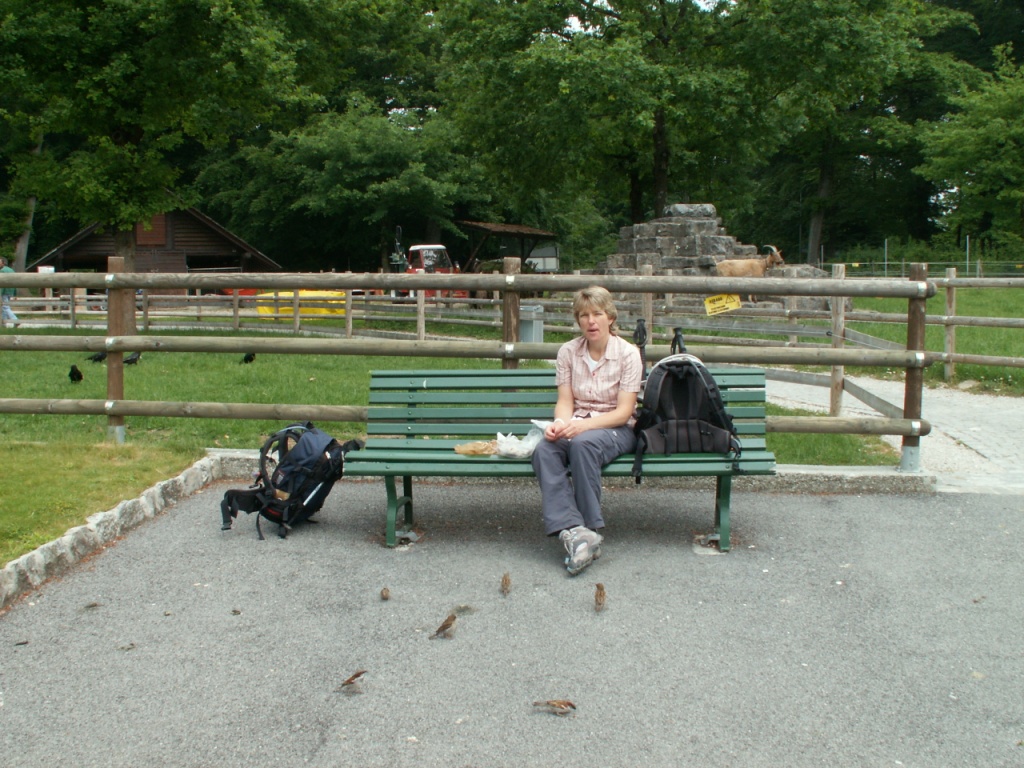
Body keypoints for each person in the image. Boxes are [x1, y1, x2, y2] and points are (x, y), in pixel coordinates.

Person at [532, 286, 643, 575]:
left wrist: (582, 426)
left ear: (610, 317)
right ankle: (574, 530)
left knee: (583, 445)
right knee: (545, 449)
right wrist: (559, 425)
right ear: (578, 320)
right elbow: (565, 401)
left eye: (597, 314)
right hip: (577, 423)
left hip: (616, 428)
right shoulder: (568, 352)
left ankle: (589, 527)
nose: (591, 321)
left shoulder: (628, 354)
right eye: (584, 315)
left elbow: (624, 412)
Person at [1, 256, 18, 326]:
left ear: (3, 263)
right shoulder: (11, 270)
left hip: (4, 291)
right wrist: (15, 293)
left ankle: (15, 320)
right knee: (4, 307)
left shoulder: (2, 271)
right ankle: (3, 324)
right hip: (11, 291)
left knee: (5, 307)